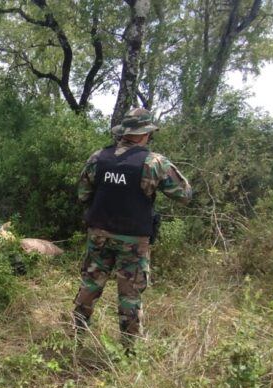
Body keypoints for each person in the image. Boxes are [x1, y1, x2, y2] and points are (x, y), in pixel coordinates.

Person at [73, 108, 192, 353]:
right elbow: (185, 194)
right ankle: (128, 351)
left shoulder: (98, 158)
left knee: (90, 285)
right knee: (129, 296)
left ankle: (76, 337)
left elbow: (83, 194)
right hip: (134, 241)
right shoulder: (153, 162)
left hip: (99, 235)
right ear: (145, 133)